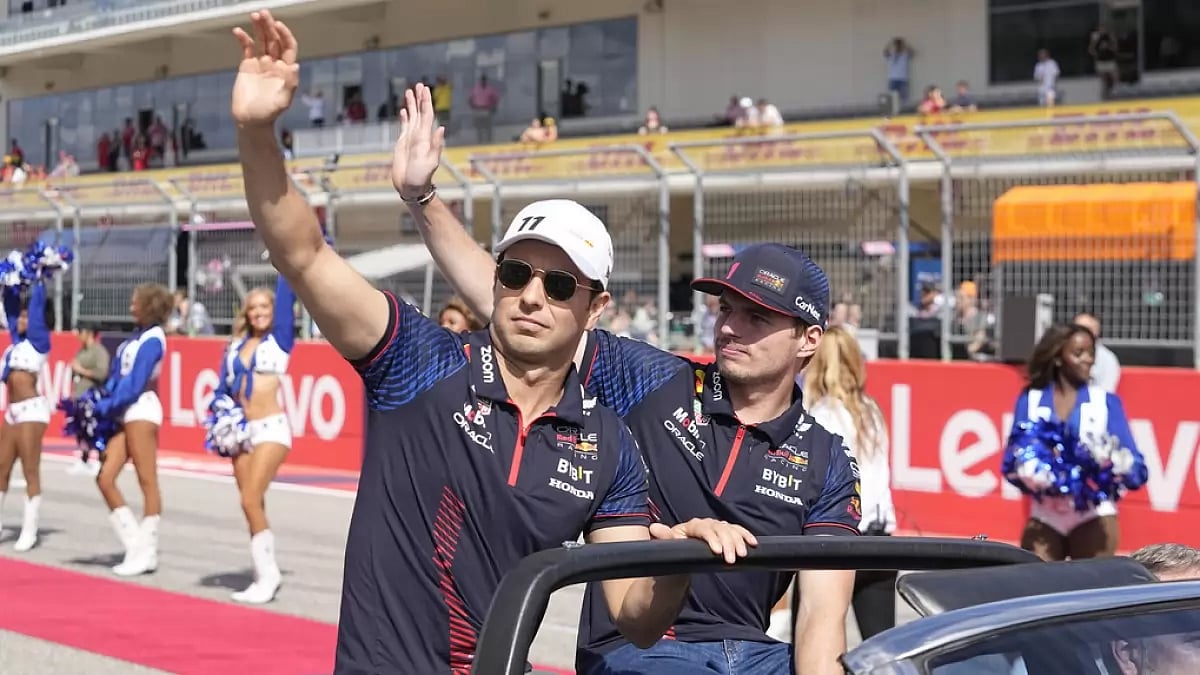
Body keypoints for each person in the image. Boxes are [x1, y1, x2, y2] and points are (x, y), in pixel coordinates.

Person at [229, 12, 755, 673]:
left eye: (560, 284)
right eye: (514, 272)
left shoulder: (610, 445)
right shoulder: (418, 361)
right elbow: (302, 252)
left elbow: (635, 619)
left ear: (596, 308)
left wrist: (680, 558)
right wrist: (256, 133)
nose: (533, 294)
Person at [394, 85, 862, 675]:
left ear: (808, 339)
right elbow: (524, 301)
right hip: (642, 651)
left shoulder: (829, 459)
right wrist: (423, 196)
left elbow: (822, 619)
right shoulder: (653, 381)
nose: (730, 329)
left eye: (757, 317)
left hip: (757, 656)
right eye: (726, 311)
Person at [1007, 323, 1147, 562]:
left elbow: (1138, 470)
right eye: (1078, 353)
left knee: (1092, 592)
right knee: (1035, 588)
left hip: (1093, 515)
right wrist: (1028, 473)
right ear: (1059, 357)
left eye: (1091, 353)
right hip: (1045, 515)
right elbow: (1010, 463)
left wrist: (1116, 464)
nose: (1088, 360)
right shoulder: (1030, 399)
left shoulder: (1105, 402)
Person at [803, 325, 896, 640]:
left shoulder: (818, 415)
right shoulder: (871, 410)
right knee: (881, 644)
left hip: (837, 540)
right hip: (880, 538)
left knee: (815, 640)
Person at [207, 274, 296, 604]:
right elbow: (222, 389)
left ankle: (269, 576)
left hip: (272, 428)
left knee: (249, 498)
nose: (259, 312)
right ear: (245, 312)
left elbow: (286, 294)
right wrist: (221, 416)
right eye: (253, 307)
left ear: (273, 311)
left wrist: (283, 255)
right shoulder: (233, 347)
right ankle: (262, 574)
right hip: (241, 431)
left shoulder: (281, 339)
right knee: (251, 503)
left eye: (265, 306)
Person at [95, 282, 172, 577]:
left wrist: (108, 405)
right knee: (105, 477)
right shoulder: (135, 338)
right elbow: (118, 377)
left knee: (146, 480)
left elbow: (136, 382)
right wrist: (100, 402)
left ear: (149, 305)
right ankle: (135, 544)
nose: (131, 307)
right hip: (123, 410)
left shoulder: (154, 339)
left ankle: (147, 551)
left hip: (141, 410)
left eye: (135, 302)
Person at [0, 281, 51, 551]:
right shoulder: (14, 347)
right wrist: (9, 284)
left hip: (32, 411)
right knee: (1, 467)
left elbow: (37, 308)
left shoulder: (39, 342)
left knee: (30, 469)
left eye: (25, 316)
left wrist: (39, 281)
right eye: (19, 316)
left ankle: (29, 530)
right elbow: (9, 309)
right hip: (13, 412)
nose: (21, 319)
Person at [66, 322, 109, 476]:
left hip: (91, 395)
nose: (78, 335)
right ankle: (83, 459)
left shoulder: (99, 351)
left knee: (94, 429)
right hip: (79, 395)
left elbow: (102, 373)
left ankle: (99, 460)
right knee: (81, 430)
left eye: (81, 331)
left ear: (89, 332)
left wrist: (81, 370)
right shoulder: (81, 351)